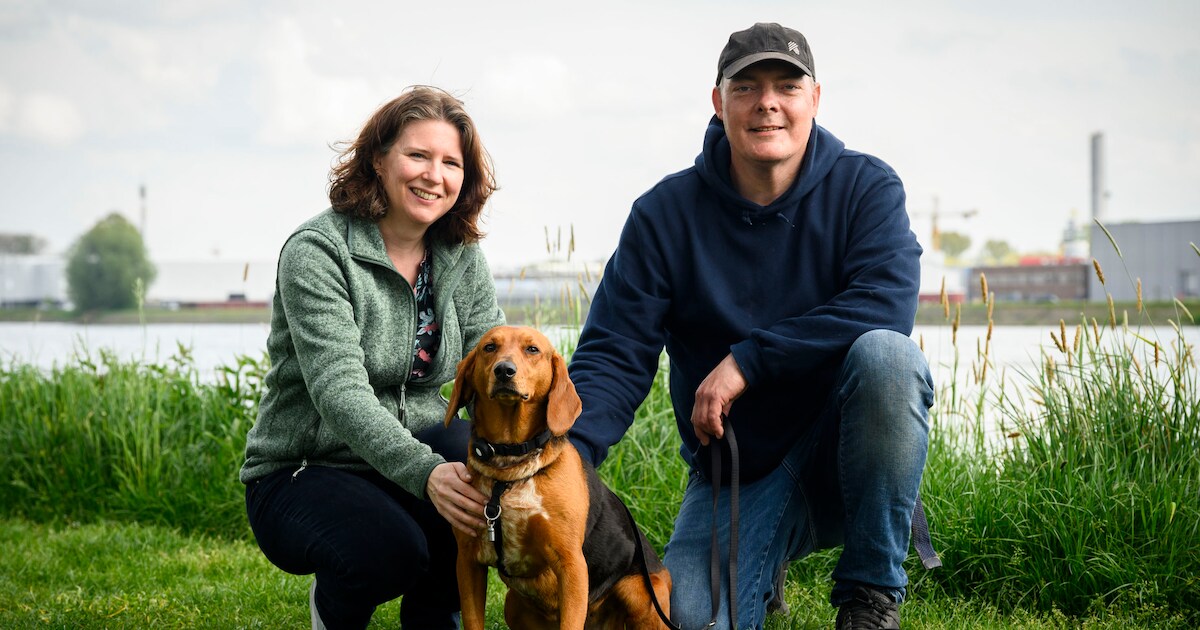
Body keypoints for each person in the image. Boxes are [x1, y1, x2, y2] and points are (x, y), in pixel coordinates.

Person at [567, 23, 934, 630]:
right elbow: (615, 351)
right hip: (739, 469)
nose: (768, 102)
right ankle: (759, 570)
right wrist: (568, 455)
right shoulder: (663, 215)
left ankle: (870, 596)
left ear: (814, 99)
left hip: (847, 460)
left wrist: (747, 361)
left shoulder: (866, 188)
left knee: (889, 359)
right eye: (747, 87)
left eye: (787, 86)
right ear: (718, 101)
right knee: (688, 621)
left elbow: (885, 305)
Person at [240, 85, 504, 630]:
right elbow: (339, 394)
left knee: (476, 463)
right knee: (391, 553)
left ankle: (436, 618)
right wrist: (429, 473)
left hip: (408, 454)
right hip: (304, 469)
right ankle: (332, 608)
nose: (434, 174)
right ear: (379, 160)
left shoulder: (461, 254)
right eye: (418, 155)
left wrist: (533, 460)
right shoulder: (318, 251)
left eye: (451, 162)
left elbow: (493, 365)